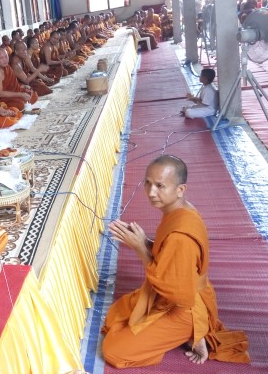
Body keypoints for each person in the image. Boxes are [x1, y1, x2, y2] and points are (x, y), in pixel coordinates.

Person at [102, 155, 250, 368]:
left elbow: (176, 292)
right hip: (177, 293)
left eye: (160, 186)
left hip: (184, 308)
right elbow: (168, 255)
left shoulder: (181, 235)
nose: (151, 192)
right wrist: (144, 241)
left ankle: (193, 333)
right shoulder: (181, 210)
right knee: (116, 315)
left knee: (114, 351)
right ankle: (182, 333)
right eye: (148, 183)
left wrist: (140, 248)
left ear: (180, 189)